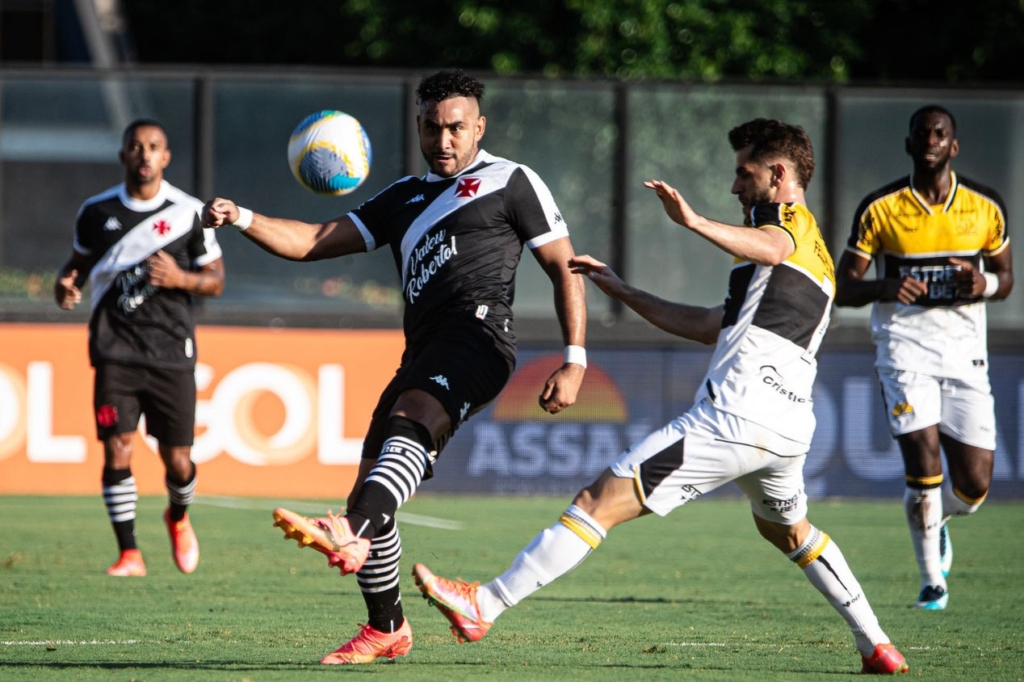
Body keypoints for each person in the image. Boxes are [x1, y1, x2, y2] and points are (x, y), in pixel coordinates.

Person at [413, 118, 909, 675]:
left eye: (744, 175)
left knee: (597, 502)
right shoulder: (808, 256)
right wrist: (625, 291)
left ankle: (485, 604)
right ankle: (877, 645)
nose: (735, 188)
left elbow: (772, 245)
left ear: (778, 173)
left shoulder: (785, 225)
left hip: (736, 417)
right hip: (789, 428)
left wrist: (693, 221)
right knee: (787, 529)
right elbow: (708, 325)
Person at [201, 69, 587, 665]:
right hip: (424, 349)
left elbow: (565, 267)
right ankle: (388, 627)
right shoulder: (402, 197)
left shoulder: (511, 181)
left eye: (457, 127)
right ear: (418, 128)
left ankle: (351, 531)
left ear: (478, 126)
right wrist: (243, 218)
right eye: (433, 127)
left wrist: (574, 358)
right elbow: (310, 240)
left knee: (412, 418)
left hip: (481, 337)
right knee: (372, 481)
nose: (444, 139)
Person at [834, 105, 1013, 611]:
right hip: (904, 347)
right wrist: (887, 285)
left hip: (964, 355)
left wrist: (986, 283)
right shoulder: (881, 209)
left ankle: (941, 519)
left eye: (941, 134)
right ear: (909, 144)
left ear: (954, 146)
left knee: (975, 486)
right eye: (922, 134)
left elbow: (1006, 279)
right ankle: (932, 582)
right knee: (923, 461)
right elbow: (845, 287)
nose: (931, 140)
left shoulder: (985, 208)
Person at [54, 119, 225, 578]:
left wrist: (181, 279)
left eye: (154, 147)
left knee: (179, 460)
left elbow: (216, 280)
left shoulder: (190, 212)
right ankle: (129, 553)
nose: (145, 155)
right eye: (136, 147)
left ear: (166, 157)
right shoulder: (95, 211)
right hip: (115, 349)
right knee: (118, 447)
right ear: (123, 156)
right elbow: (77, 266)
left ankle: (178, 515)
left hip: (171, 350)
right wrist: (65, 284)